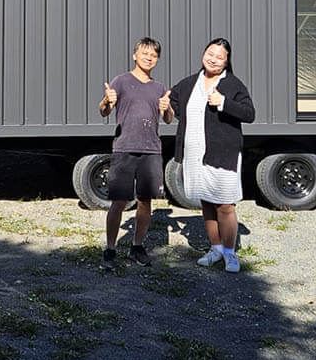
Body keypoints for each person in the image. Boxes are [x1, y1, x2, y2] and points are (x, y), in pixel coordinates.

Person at [169, 38, 256, 273]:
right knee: (207, 202)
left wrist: (224, 102)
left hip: (223, 153)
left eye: (219, 56)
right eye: (210, 53)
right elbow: (172, 101)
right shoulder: (189, 84)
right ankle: (215, 248)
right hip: (195, 153)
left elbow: (249, 114)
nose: (213, 59)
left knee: (225, 205)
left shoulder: (233, 84)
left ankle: (230, 253)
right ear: (203, 53)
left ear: (227, 60)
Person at [98, 37, 174, 270]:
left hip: (151, 150)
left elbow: (169, 119)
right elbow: (103, 111)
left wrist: (167, 108)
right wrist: (106, 101)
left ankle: (137, 246)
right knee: (119, 201)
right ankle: (110, 249)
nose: (149, 58)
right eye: (144, 53)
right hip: (124, 149)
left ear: (157, 59)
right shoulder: (121, 81)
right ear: (135, 55)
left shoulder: (159, 88)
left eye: (153, 55)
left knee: (145, 201)